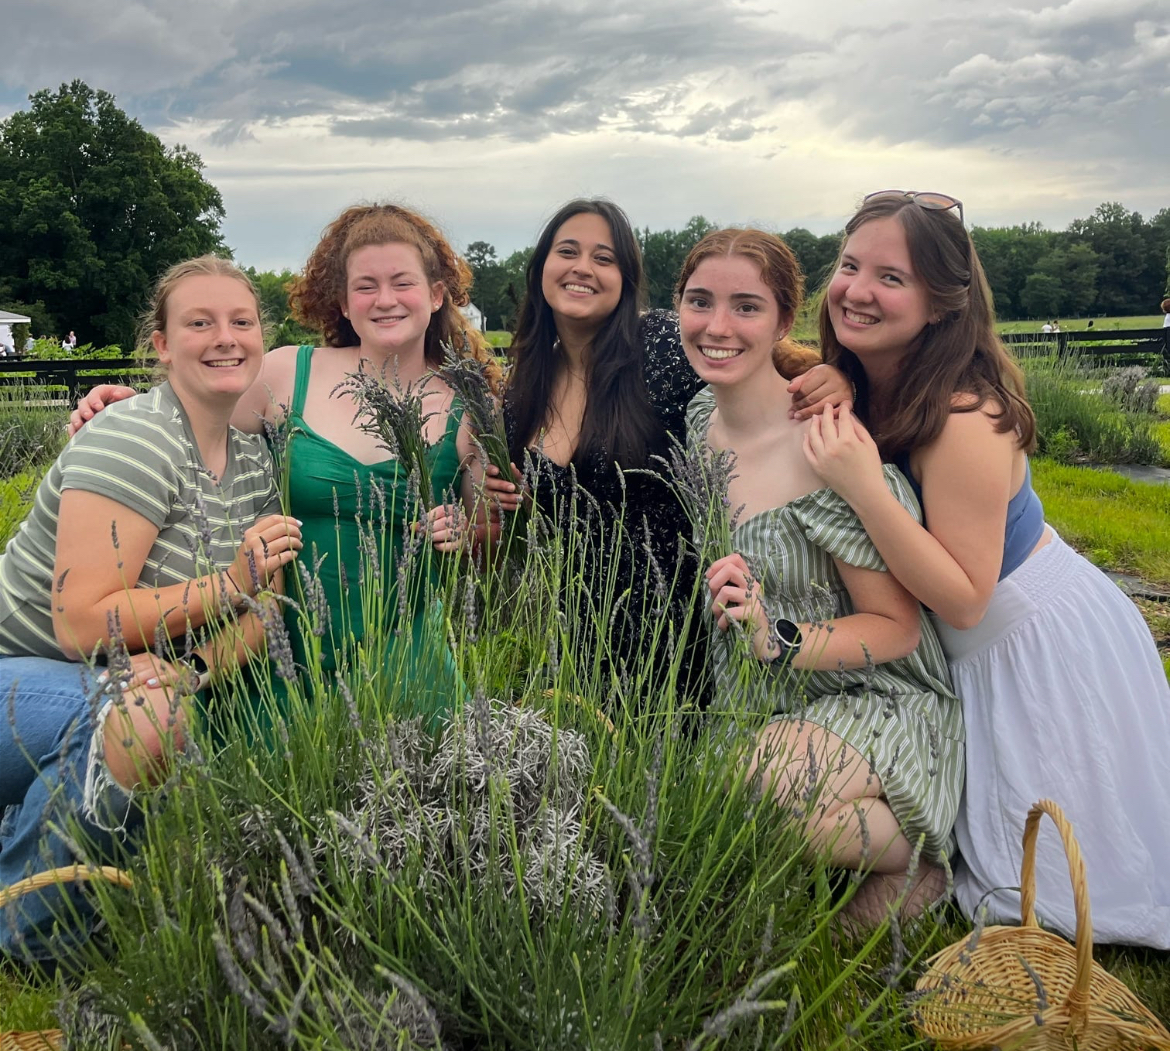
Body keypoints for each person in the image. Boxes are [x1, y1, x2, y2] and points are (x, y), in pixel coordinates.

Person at [799, 190, 1170, 947]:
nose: (857, 290)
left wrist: (865, 487)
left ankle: (932, 873)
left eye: (891, 277)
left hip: (1030, 643)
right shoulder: (882, 378)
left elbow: (967, 599)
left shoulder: (967, 415)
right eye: (849, 266)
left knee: (1061, 885)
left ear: (940, 303)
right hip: (967, 648)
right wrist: (839, 384)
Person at [69, 204, 492, 719]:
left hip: (405, 659)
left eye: (401, 283)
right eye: (365, 286)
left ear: (436, 293)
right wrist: (124, 407)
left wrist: (462, 531)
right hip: (272, 658)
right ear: (342, 301)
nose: (384, 300)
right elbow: (194, 422)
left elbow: (486, 544)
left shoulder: (469, 406)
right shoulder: (287, 372)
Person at [0, 257, 301, 957]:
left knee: (161, 705)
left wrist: (192, 668)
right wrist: (228, 585)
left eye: (241, 321)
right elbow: (80, 621)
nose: (225, 338)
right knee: (144, 720)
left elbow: (272, 604)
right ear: (162, 343)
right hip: (21, 670)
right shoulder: (135, 436)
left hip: (90, 687)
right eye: (199, 323)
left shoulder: (252, 454)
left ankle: (40, 864)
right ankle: (26, 933)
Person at [677, 228, 962, 921]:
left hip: (873, 692)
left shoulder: (825, 448)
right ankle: (838, 836)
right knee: (702, 803)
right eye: (699, 301)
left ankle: (915, 851)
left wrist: (776, 634)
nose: (717, 327)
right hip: (764, 693)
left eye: (746, 307)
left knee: (751, 792)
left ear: (783, 319)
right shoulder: (697, 421)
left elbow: (895, 629)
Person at [487, 199, 843, 692]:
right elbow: (539, 516)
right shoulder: (525, 386)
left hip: (691, 636)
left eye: (604, 258)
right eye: (567, 251)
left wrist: (830, 376)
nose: (582, 268)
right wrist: (517, 500)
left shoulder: (658, 344)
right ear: (541, 266)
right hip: (582, 638)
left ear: (626, 278)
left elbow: (743, 351)